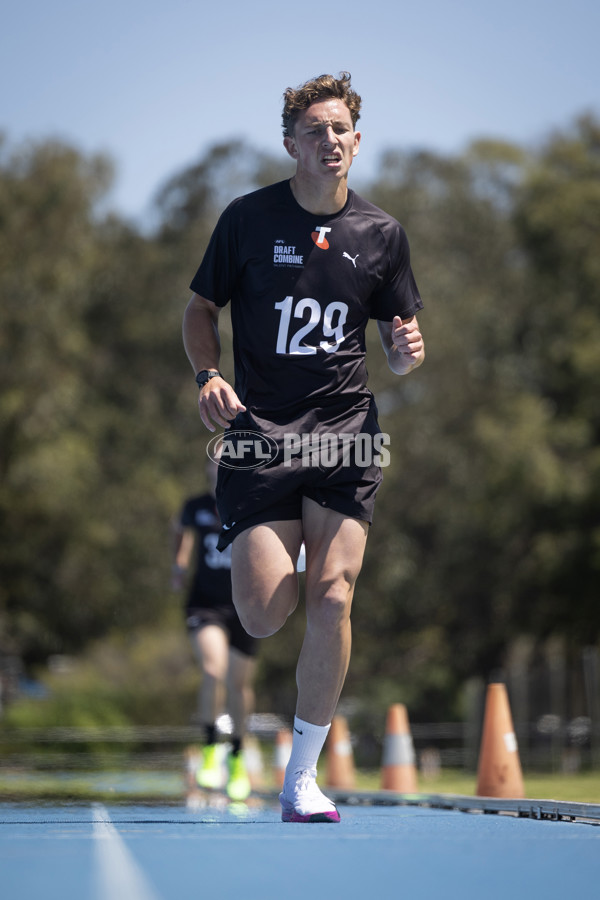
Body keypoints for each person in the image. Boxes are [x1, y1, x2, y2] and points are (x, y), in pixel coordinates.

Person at [182, 72, 425, 822]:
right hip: (260, 435)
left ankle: (301, 777)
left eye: (341, 128)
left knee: (334, 594)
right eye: (315, 130)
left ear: (358, 140)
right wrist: (208, 375)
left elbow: (400, 341)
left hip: (346, 431)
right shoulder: (247, 221)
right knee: (260, 615)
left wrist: (408, 351)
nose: (330, 140)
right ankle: (281, 537)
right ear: (291, 144)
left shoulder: (382, 234)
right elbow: (200, 309)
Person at [171, 455, 258, 802]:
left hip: (247, 606)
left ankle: (236, 757)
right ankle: (210, 747)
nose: (218, 470)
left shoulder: (254, 500)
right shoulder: (196, 506)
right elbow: (178, 527)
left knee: (239, 684)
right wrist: (178, 563)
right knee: (213, 668)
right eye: (214, 465)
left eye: (226, 465)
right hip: (205, 604)